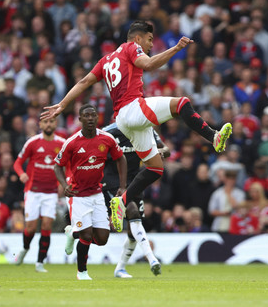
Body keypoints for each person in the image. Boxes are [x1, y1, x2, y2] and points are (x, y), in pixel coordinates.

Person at [41, 20, 232, 238]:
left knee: (155, 168)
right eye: (149, 40)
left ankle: (120, 202)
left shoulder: (106, 60)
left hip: (124, 120)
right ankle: (214, 137)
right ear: (138, 37)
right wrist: (176, 48)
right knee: (181, 104)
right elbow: (148, 64)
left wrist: (62, 104)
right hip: (133, 108)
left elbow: (84, 81)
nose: (150, 45)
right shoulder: (132, 47)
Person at [54, 104, 127, 280]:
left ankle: (73, 233)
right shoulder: (72, 142)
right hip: (78, 195)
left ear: (97, 118)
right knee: (87, 234)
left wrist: (122, 186)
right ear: (80, 119)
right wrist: (65, 185)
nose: (90, 118)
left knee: (102, 239)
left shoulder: (107, 139)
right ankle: (82, 272)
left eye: (93, 115)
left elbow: (121, 158)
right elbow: (58, 166)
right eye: (86, 115)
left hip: (96, 194)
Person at [98, 122, 169, 278]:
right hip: (112, 182)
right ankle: (152, 259)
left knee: (133, 231)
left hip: (135, 181)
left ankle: (120, 269)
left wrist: (160, 151)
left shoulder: (145, 129)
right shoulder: (108, 132)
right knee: (132, 211)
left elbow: (166, 149)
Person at [13, 115, 66, 273]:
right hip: (33, 191)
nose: (48, 124)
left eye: (51, 121)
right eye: (45, 122)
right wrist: (21, 173)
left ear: (55, 123)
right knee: (30, 228)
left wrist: (65, 182)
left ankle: (40, 263)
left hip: (50, 192)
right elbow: (17, 162)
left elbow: (69, 165)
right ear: (40, 124)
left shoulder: (62, 144)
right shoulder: (33, 142)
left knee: (47, 225)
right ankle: (24, 248)